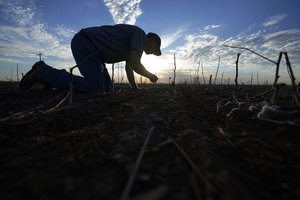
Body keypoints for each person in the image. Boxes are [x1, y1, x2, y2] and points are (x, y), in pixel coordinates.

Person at [20, 24, 161, 93]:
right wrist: (150, 76)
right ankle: (43, 73)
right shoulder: (140, 35)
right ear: (152, 40)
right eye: (156, 49)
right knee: (97, 87)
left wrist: (135, 88)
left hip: (94, 51)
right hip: (86, 42)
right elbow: (136, 64)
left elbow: (130, 66)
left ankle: (55, 80)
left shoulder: (136, 46)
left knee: (107, 88)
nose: (154, 53)